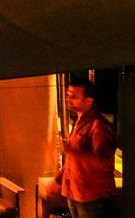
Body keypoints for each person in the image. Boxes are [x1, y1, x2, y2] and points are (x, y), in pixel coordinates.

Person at [50, 80, 117, 217]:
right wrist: (57, 180)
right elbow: (72, 159)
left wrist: (73, 151)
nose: (68, 99)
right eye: (68, 95)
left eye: (74, 96)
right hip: (76, 193)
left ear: (88, 101)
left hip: (92, 196)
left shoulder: (98, 126)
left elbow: (104, 162)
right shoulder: (79, 122)